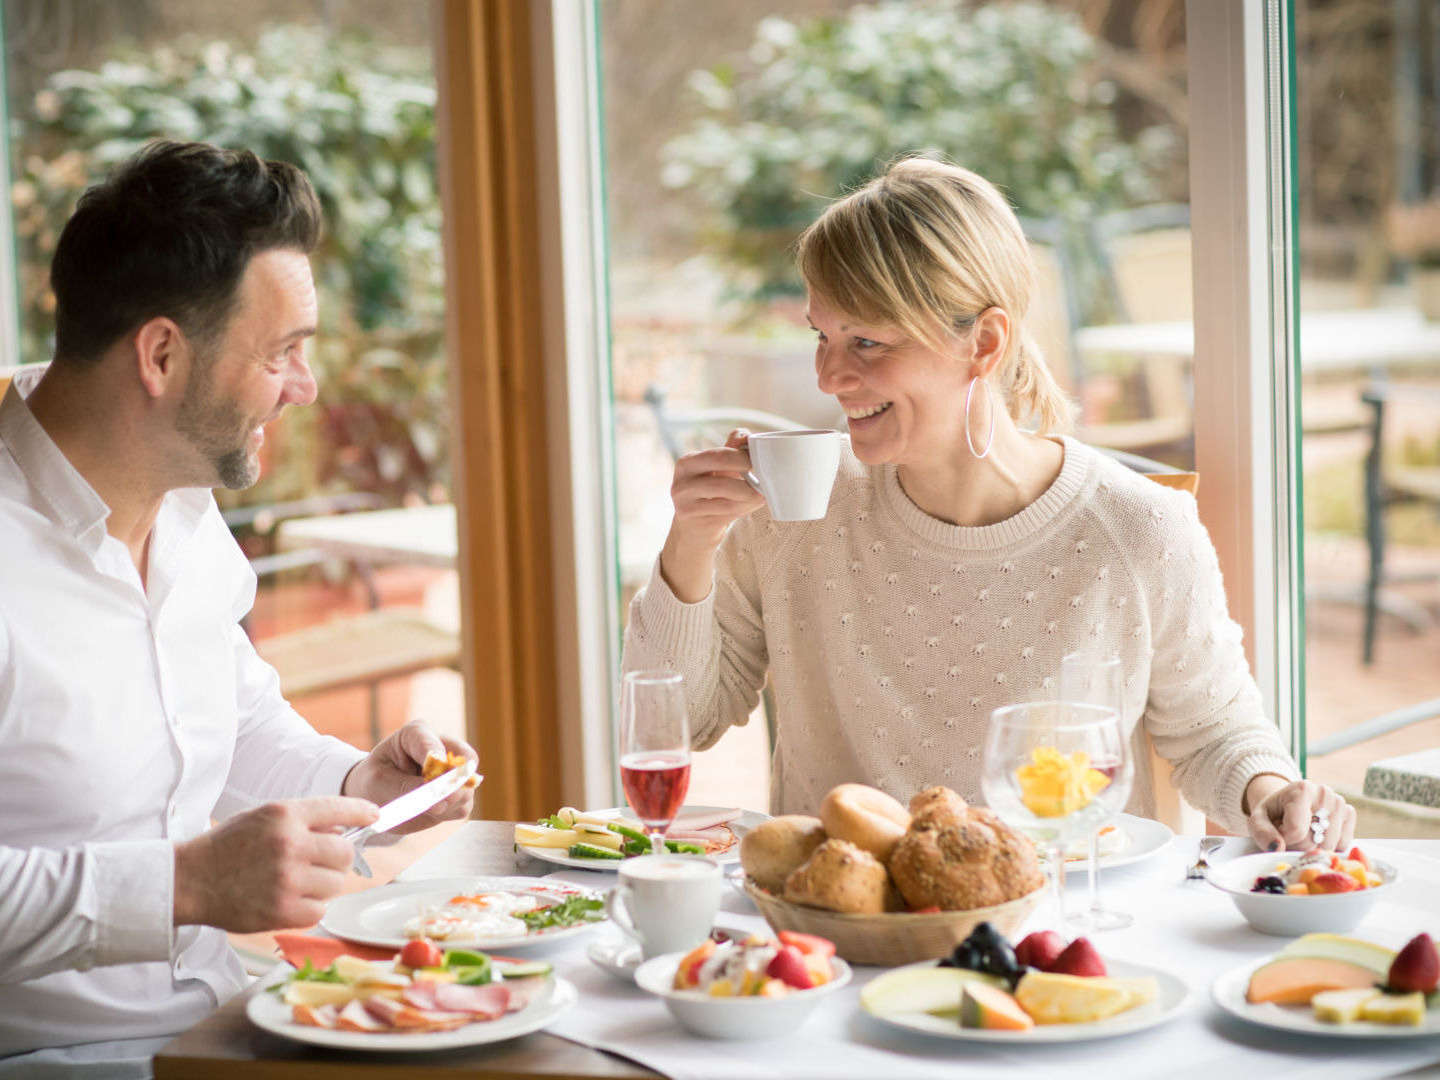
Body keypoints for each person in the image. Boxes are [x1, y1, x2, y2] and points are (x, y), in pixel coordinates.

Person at [623, 155, 1354, 854]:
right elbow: (681, 725)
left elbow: (1216, 730)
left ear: (985, 342)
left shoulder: (1138, 528)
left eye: (867, 340)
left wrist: (1275, 792)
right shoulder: (792, 512)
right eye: (823, 334)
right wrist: (692, 543)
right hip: (842, 937)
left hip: (1057, 934)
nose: (830, 376)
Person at [0, 141, 477, 1070]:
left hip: (225, 1024)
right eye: (283, 354)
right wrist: (179, 886)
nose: (306, 388)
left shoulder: (180, 501)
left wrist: (356, 786)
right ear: (163, 355)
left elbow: (233, 717)